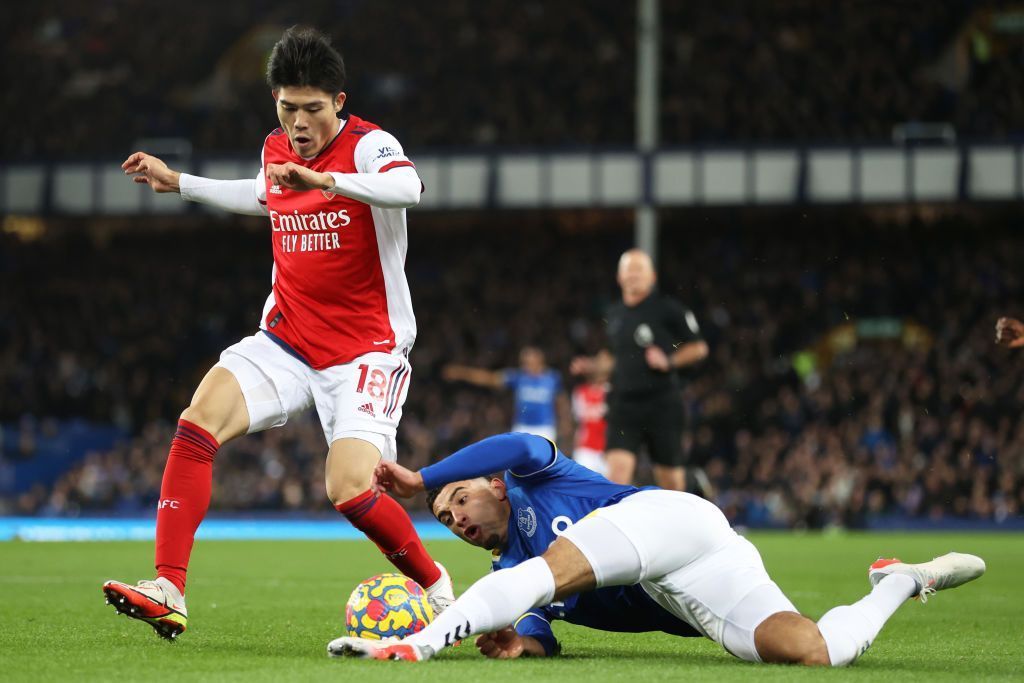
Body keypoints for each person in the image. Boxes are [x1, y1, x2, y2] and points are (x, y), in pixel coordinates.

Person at [102, 26, 453, 640]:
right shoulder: (274, 148)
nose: (299, 123)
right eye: (288, 108)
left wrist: (327, 182)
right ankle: (169, 587)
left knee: (347, 489)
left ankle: (437, 588)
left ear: (338, 102)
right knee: (197, 420)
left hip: (366, 350)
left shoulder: (370, 146)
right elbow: (262, 195)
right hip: (287, 339)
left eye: (313, 109)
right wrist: (179, 182)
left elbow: (410, 188)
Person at [327, 433, 986, 665]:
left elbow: (522, 441)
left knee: (546, 572)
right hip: (690, 584)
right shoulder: (510, 571)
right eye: (444, 518)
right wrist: (520, 644)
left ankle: (419, 641)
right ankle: (899, 581)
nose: (455, 517)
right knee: (814, 651)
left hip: (673, 521)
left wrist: (425, 477)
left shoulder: (537, 477)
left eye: (460, 499)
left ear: (492, 485)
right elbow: (537, 630)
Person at [572, 249, 708, 491]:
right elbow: (615, 357)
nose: (633, 274)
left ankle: (690, 496)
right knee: (616, 477)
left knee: (671, 483)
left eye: (639, 269)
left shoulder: (669, 309)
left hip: (662, 402)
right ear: (619, 277)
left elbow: (698, 347)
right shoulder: (613, 314)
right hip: (623, 404)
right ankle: (617, 528)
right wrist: (593, 366)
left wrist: (670, 361)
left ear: (652, 277)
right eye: (629, 269)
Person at [443, 346, 566, 443]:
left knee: (543, 468)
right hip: (522, 428)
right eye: (523, 362)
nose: (525, 366)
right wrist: (460, 372)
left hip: (544, 429)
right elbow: (489, 378)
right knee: (519, 469)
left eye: (528, 362)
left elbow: (561, 401)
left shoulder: (552, 378)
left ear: (539, 361)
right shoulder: (518, 377)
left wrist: (565, 421)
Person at [570, 350, 611, 475]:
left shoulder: (611, 391)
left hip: (607, 449)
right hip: (585, 449)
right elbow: (577, 421)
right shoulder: (580, 392)